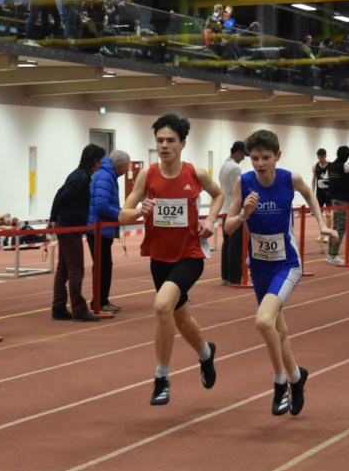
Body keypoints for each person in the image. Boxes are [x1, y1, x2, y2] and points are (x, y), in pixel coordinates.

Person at [223, 129, 336, 415]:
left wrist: (322, 224)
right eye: (255, 158)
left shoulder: (289, 179)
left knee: (264, 322)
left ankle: (279, 381)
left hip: (286, 265)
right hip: (259, 266)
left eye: (265, 157)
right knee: (278, 329)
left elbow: (310, 194)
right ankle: (297, 378)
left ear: (277, 156)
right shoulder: (244, 182)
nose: (260, 164)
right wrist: (245, 213)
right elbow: (228, 227)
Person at [118, 114, 223, 406]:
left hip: (190, 256)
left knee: (162, 305)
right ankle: (206, 353)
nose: (164, 146)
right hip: (159, 258)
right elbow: (122, 215)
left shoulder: (195, 173)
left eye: (170, 141)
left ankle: (161, 378)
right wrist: (140, 210)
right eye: (160, 141)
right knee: (182, 319)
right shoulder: (147, 175)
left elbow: (218, 195)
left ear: (182, 144)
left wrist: (210, 220)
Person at [49, 144, 105, 322]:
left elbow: (60, 195)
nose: (102, 163)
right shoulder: (79, 178)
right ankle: (78, 309)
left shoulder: (80, 176)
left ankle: (58, 306)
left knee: (64, 267)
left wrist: (54, 217)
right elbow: (61, 197)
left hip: (68, 225)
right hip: (69, 227)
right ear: (94, 160)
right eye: (100, 160)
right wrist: (53, 217)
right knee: (76, 268)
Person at [88, 149, 131, 313]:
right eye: (127, 166)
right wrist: (121, 215)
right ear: (120, 165)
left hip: (102, 228)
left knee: (104, 266)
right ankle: (99, 303)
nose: (127, 170)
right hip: (98, 229)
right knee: (102, 267)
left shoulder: (107, 175)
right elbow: (102, 206)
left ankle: (101, 301)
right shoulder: (105, 177)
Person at [219, 141, 247, 285]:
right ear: (237, 152)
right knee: (236, 245)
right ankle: (234, 277)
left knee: (227, 244)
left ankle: (225, 276)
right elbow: (238, 191)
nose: (243, 158)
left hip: (225, 209)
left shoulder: (224, 166)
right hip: (234, 211)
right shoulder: (236, 168)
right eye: (243, 154)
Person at [313, 148, 332, 242]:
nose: (320, 159)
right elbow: (313, 180)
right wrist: (312, 192)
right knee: (319, 215)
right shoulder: (315, 166)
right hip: (319, 194)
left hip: (328, 194)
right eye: (319, 157)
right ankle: (322, 233)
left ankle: (328, 235)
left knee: (328, 214)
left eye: (322, 157)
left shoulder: (331, 166)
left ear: (325, 156)